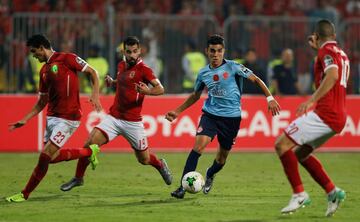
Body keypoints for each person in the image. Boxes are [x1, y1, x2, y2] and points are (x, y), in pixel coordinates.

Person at [166, 34, 280, 199]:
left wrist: (270, 98)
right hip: (210, 115)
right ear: (207, 51)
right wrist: (177, 111)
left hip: (231, 119)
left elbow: (256, 80)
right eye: (212, 51)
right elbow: (196, 96)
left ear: (223, 51)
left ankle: (210, 174)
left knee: (221, 159)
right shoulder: (203, 73)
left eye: (219, 51)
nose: (216, 54)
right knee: (198, 146)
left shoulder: (233, 67)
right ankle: (182, 187)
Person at [60, 36, 172, 192]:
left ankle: (160, 164)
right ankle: (78, 178)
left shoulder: (144, 70)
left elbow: (161, 89)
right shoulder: (121, 65)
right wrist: (113, 82)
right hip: (113, 118)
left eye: (135, 51)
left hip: (132, 122)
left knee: (144, 159)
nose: (132, 55)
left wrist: (148, 91)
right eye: (129, 52)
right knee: (89, 144)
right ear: (123, 51)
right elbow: (123, 81)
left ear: (139, 51)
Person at [6, 34, 102, 202]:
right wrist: (26, 119)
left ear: (43, 47)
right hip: (52, 118)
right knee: (52, 157)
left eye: (35, 52)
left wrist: (95, 94)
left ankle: (24, 194)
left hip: (69, 118)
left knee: (44, 156)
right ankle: (89, 151)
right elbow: (42, 101)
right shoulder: (44, 71)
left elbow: (93, 72)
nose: (34, 56)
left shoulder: (67, 58)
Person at [275, 19, 348, 217]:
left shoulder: (326, 52)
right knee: (300, 154)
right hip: (339, 116)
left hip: (325, 114)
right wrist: (319, 49)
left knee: (281, 145)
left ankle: (299, 194)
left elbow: (332, 75)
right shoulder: (340, 53)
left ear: (316, 36)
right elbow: (333, 69)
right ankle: (333, 192)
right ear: (333, 35)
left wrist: (311, 100)